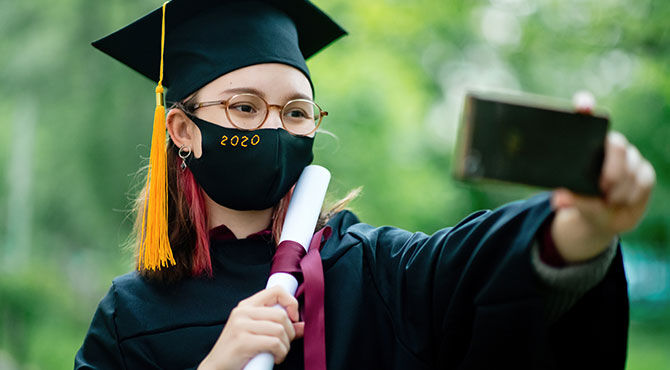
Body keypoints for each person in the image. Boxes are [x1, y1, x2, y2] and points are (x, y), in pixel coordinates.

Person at [74, 0, 656, 369]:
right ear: (183, 129)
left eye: (297, 113)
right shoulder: (131, 318)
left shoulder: (375, 271)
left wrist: (583, 223)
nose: (276, 129)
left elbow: (480, 267)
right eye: (246, 108)